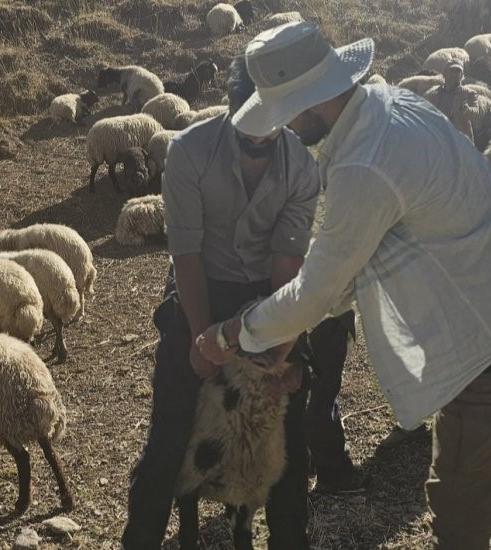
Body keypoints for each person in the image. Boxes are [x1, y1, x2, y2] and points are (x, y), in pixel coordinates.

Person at [196, 22, 491, 550]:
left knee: (461, 501)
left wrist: (233, 333)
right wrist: (283, 333)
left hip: (488, 334)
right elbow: (350, 267)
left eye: (285, 111)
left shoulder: (362, 163)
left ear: (308, 103)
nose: (284, 127)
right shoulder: (393, 102)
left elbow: (318, 287)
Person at [121, 55, 359, 550]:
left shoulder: (300, 165)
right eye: (249, 125)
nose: (258, 141)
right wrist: (199, 336)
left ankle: (291, 539)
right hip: (200, 285)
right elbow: (185, 252)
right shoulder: (188, 152)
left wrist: (277, 349)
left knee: (287, 443)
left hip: (266, 294)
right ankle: (140, 539)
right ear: (233, 110)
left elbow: (287, 260)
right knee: (169, 436)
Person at [423, 59, 478, 142]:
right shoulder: (434, 94)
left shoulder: (469, 94)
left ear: (462, 75)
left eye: (458, 71)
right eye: (452, 71)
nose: (455, 74)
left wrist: (466, 109)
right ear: (444, 73)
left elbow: (475, 114)